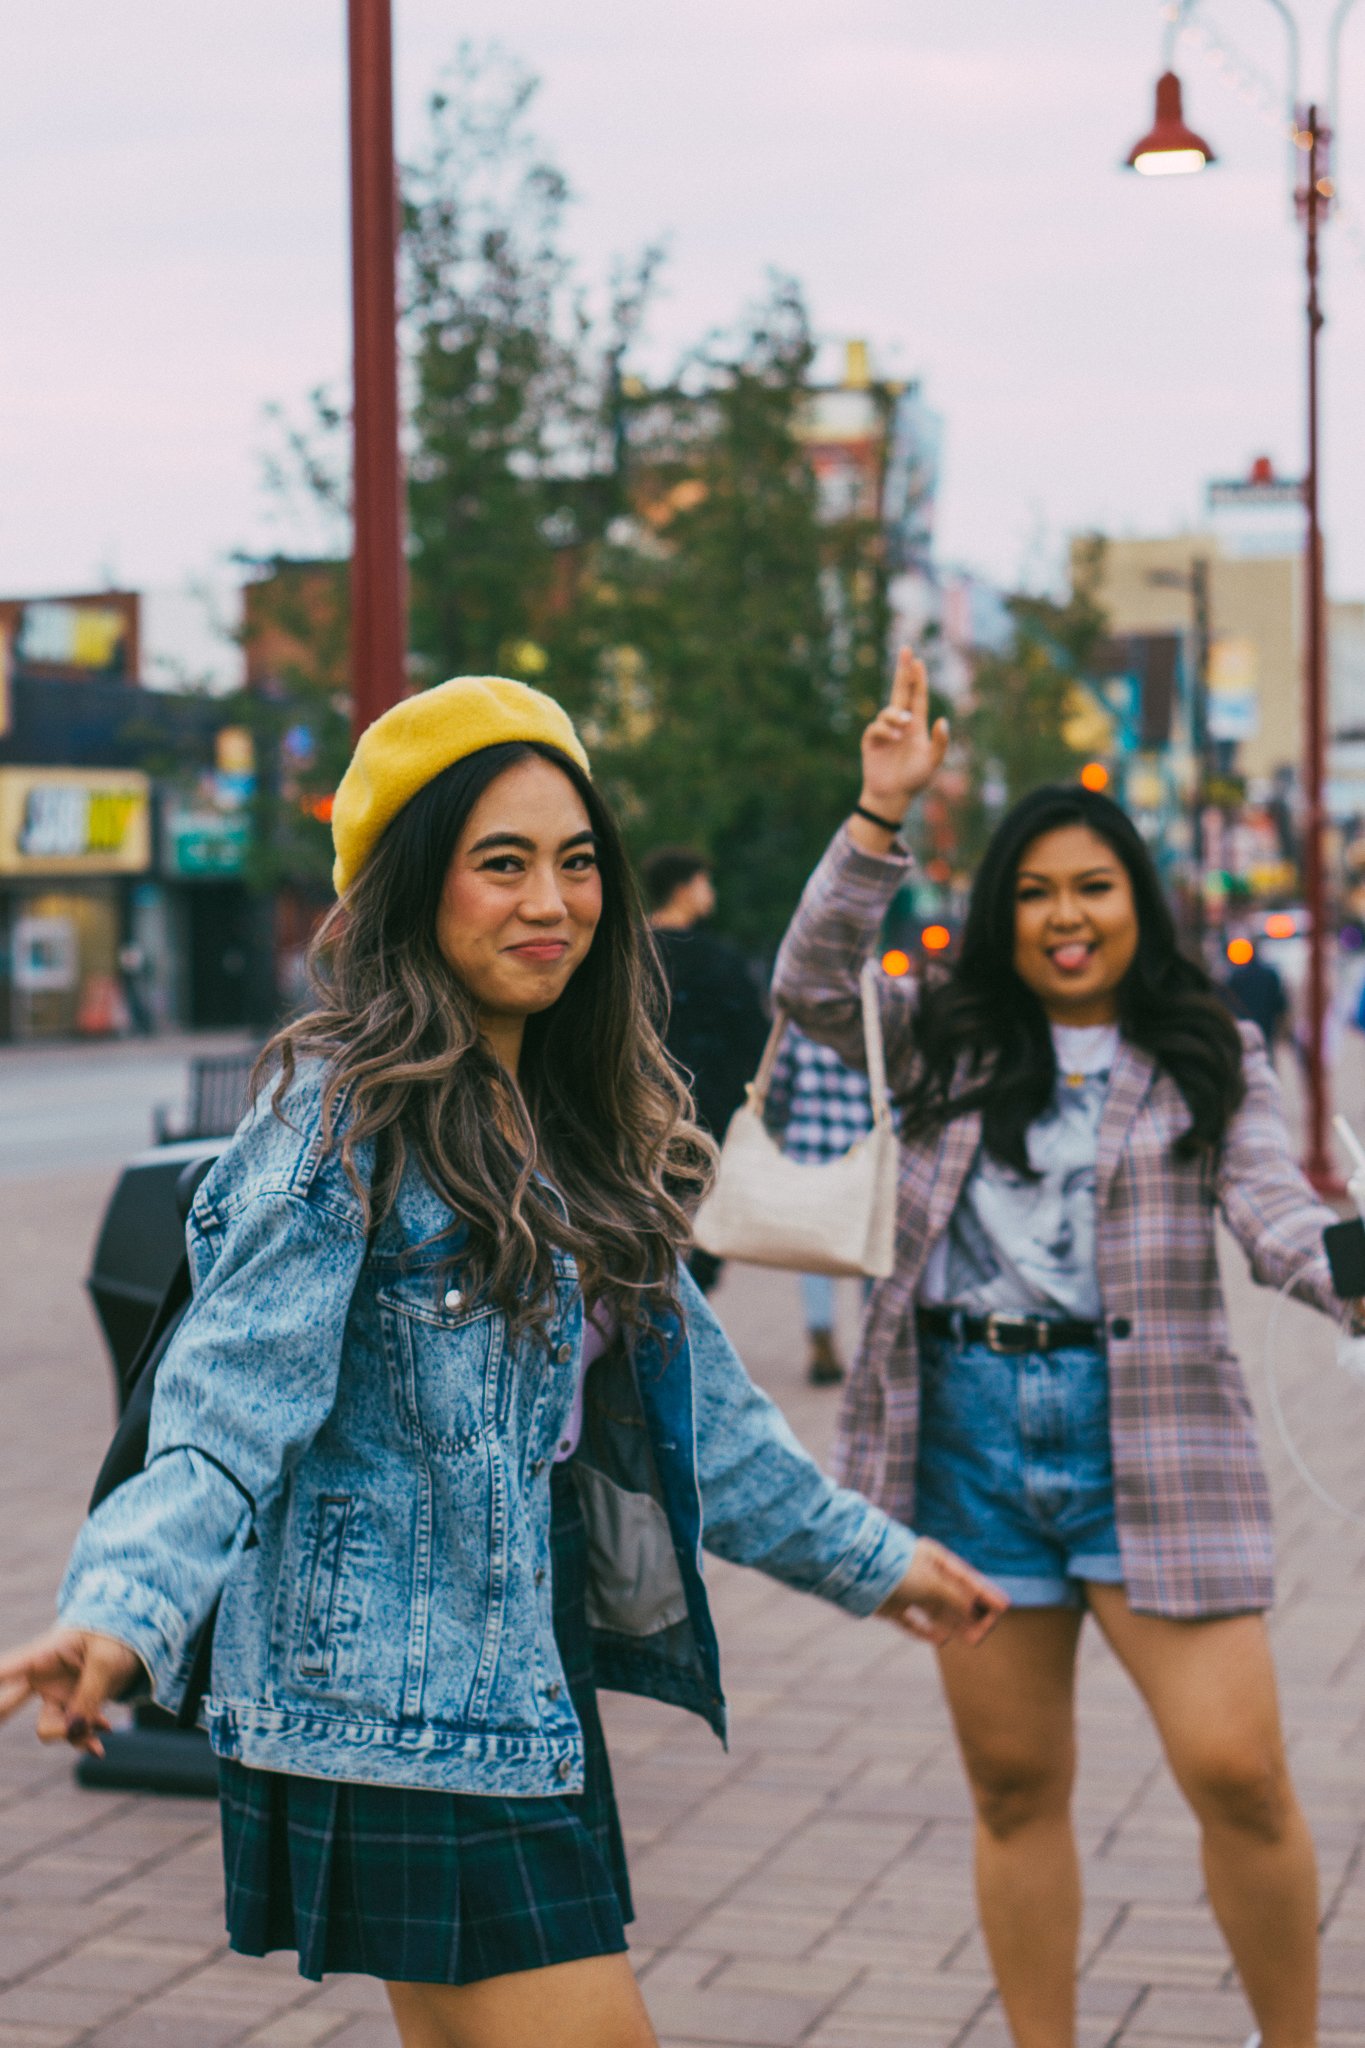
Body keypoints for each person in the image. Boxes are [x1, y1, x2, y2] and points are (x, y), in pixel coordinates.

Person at [0, 675, 1006, 2048]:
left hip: (518, 1675)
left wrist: (873, 1562)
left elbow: (701, 1408)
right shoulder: (340, 1123)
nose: (553, 901)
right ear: (412, 893)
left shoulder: (572, 1121)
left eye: (577, 861)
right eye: (502, 864)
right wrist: (119, 1609)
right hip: (399, 1694)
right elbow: (227, 1408)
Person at [772, 646, 1347, 2048]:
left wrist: (1349, 1266)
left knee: (1239, 1776)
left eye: (1090, 887)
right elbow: (805, 990)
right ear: (1000, 913)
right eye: (1033, 893)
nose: (1063, 916)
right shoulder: (937, 1035)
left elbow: (1276, 1213)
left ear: (1135, 905)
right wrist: (877, 818)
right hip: (964, 1432)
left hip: (1146, 1432)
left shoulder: (1210, 1050)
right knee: (1014, 1789)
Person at [642, 846, 769, 1293]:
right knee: (704, 1228)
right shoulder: (719, 961)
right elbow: (753, 1038)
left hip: (635, 1111)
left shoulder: (627, 953)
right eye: (704, 883)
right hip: (705, 1115)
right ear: (684, 889)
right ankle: (684, 1304)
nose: (709, 893)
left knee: (641, 1224)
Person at [762, 1019, 875, 1384]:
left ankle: (822, 1342)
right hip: (865, 1154)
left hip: (810, 1153)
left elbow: (777, 1087)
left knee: (816, 1255)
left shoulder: (800, 1024)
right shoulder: (875, 1018)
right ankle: (874, 1345)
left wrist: (779, 1121)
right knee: (871, 1254)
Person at [1224, 938, 1289, 1052]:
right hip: (1266, 1027)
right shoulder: (1270, 975)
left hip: (1244, 1027)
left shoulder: (1236, 977)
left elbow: (1230, 1003)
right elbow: (1279, 1003)